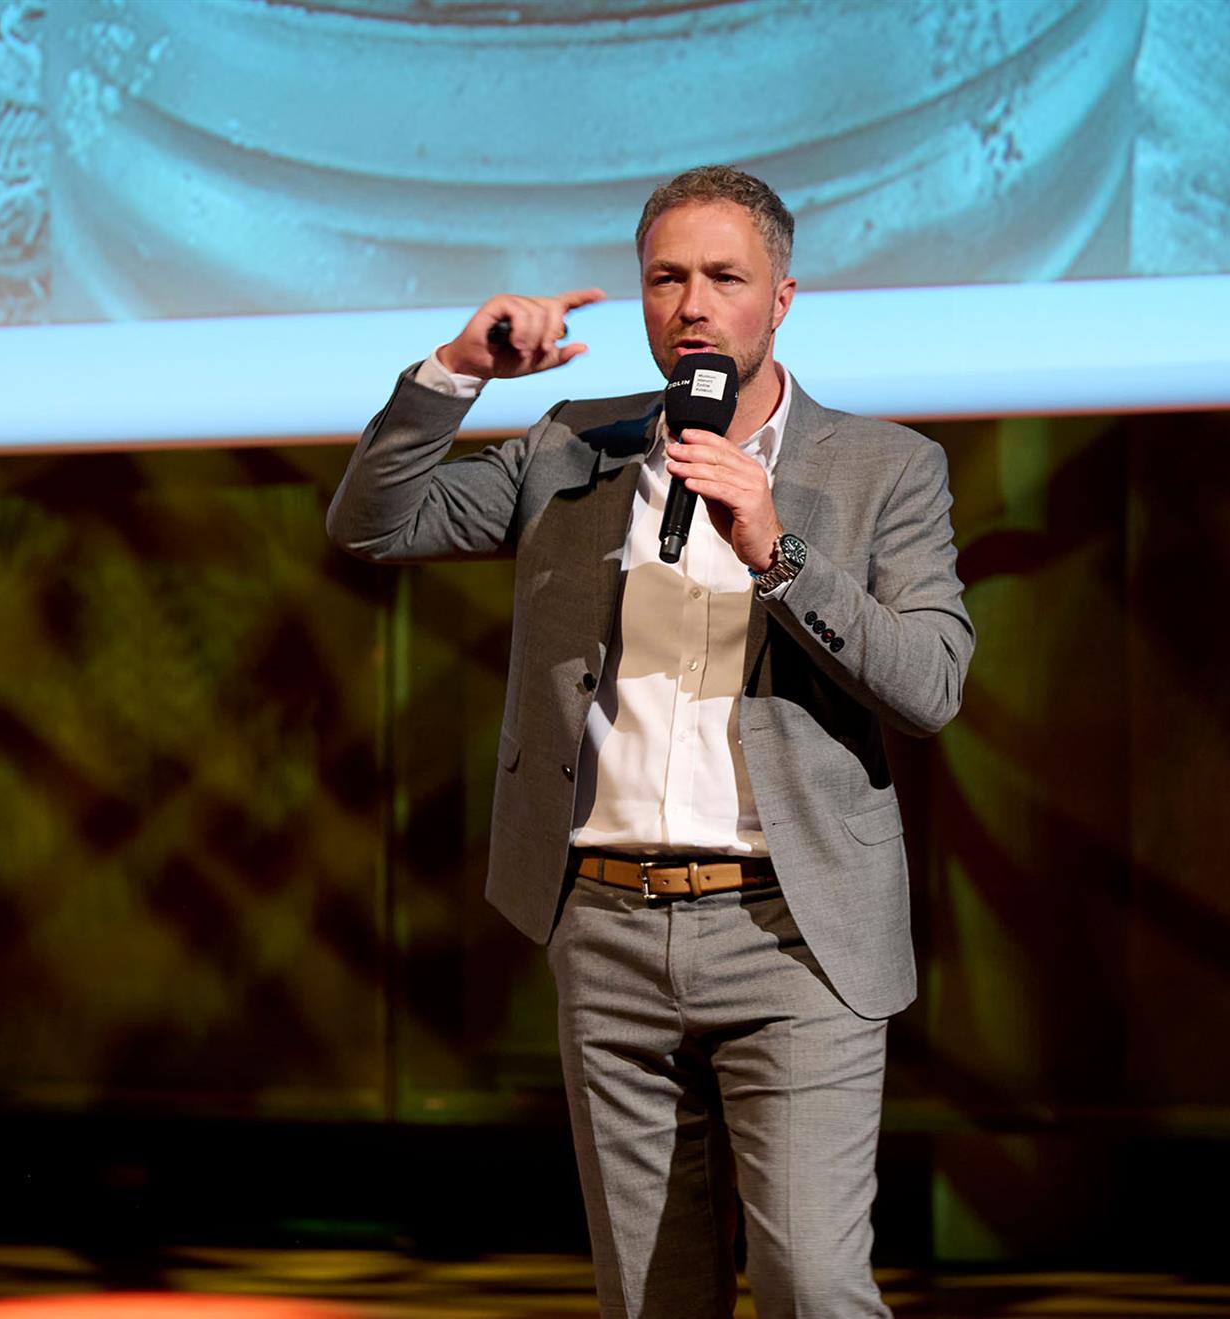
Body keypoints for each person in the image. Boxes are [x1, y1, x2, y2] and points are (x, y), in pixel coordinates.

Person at [327, 165, 973, 1317]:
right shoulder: (575, 447)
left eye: (725, 277)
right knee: (651, 1297)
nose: (693, 305)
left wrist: (777, 549)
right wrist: (457, 371)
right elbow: (374, 524)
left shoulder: (886, 468)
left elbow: (929, 684)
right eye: (666, 278)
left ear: (781, 297)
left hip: (793, 931)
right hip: (608, 927)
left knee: (814, 1283)